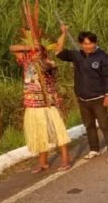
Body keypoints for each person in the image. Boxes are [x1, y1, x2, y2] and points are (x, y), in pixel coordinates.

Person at [55, 25, 108, 163]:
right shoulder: (77, 55)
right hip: (83, 98)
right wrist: (64, 33)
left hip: (99, 97)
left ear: (95, 43)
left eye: (90, 43)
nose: (88, 46)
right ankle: (94, 149)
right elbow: (58, 50)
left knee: (104, 124)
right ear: (80, 44)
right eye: (85, 43)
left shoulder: (103, 56)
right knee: (89, 125)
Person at [9, 43, 71, 173]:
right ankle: (43, 163)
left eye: (38, 51)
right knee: (39, 134)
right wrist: (29, 47)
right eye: (34, 52)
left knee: (59, 133)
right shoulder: (27, 61)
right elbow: (12, 48)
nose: (36, 53)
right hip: (32, 105)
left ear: (43, 52)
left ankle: (65, 160)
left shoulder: (49, 62)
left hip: (48, 104)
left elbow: (46, 68)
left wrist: (39, 59)